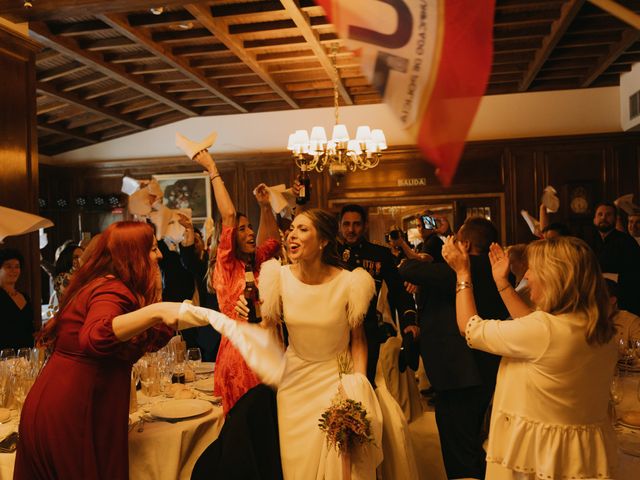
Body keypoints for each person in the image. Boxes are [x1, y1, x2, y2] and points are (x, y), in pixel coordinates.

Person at [14, 221, 180, 480]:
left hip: (57, 400)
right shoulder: (112, 290)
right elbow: (96, 336)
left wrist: (165, 313)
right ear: (132, 254)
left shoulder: (102, 284)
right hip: (76, 408)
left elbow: (139, 339)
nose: (159, 256)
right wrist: (157, 311)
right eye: (153, 249)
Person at [442, 235, 618, 479]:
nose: (527, 277)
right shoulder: (599, 329)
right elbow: (535, 329)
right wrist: (501, 282)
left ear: (555, 276)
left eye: (533, 269)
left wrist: (462, 274)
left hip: (537, 455)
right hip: (579, 453)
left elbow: (470, 329)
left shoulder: (544, 331)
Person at [257, 208, 381, 478]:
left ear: (323, 241)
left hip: (336, 380)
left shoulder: (351, 283)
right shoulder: (278, 278)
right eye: (292, 229)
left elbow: (358, 341)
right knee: (297, 466)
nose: (293, 235)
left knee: (339, 465)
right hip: (294, 386)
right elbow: (267, 329)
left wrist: (357, 387)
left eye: (303, 229)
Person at [399, 217, 508, 479]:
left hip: (459, 375)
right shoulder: (493, 269)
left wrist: (425, 261)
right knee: (471, 442)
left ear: (466, 244)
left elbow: (406, 268)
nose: (450, 245)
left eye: (455, 241)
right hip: (481, 370)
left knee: (460, 451)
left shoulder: (464, 270)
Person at [189, 148, 280, 414]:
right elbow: (228, 216)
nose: (250, 232)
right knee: (246, 426)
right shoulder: (227, 264)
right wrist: (212, 168)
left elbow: (272, 242)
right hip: (240, 356)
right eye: (243, 229)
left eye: (250, 227)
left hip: (267, 347)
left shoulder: (255, 260)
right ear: (230, 236)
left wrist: (265, 206)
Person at [338, 204, 419, 384]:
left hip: (368, 330)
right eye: (346, 224)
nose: (351, 230)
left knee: (365, 383)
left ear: (365, 225)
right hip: (335, 331)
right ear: (340, 226)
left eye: (356, 224)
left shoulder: (380, 254)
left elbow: (399, 291)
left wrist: (409, 321)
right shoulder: (332, 254)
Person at [584, 202, 640, 315]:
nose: (603, 218)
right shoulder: (585, 241)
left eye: (608, 215)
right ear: (594, 219)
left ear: (615, 219)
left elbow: (635, 272)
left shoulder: (627, 242)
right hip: (591, 293)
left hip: (622, 296)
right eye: (600, 214)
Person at [0, 248, 34, 349]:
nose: (14, 271)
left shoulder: (25, 297)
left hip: (25, 356)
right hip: (4, 357)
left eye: (17, 267)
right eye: (9, 266)